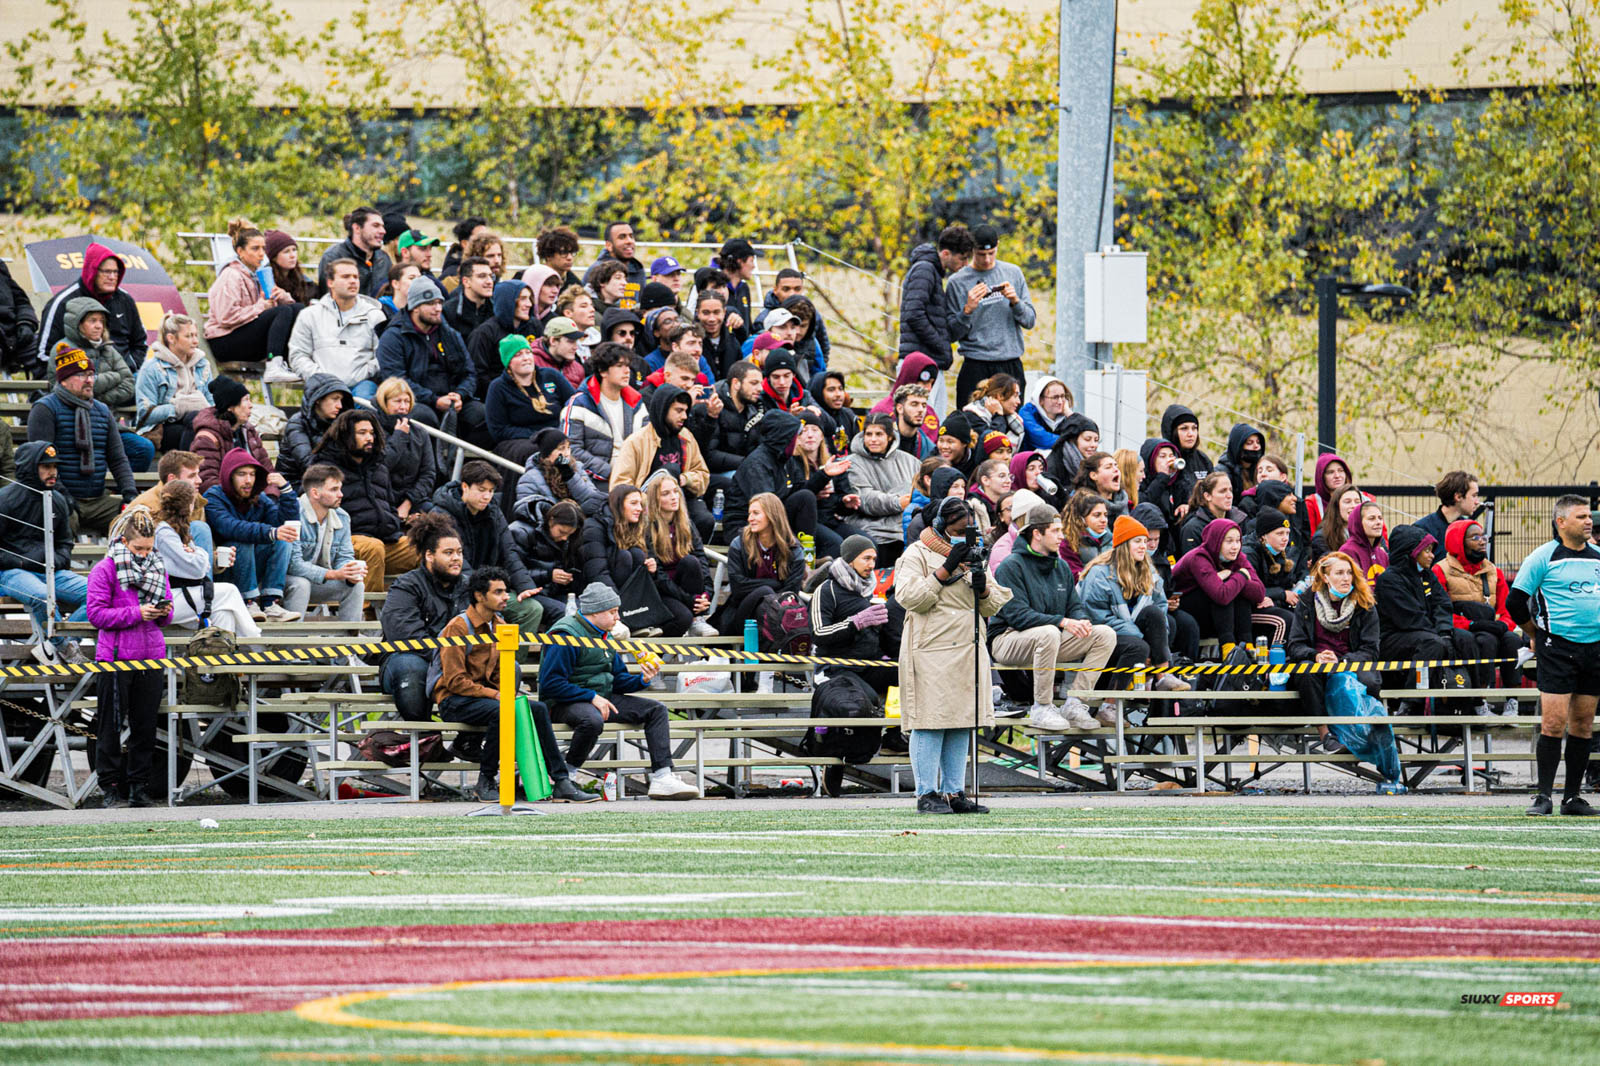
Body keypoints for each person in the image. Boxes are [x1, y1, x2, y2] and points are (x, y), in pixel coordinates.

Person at [434, 567, 593, 804]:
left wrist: (507, 693)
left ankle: (561, 781)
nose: (506, 597)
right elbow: (455, 681)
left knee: (536, 708)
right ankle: (486, 780)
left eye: (506, 591)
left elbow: (501, 671)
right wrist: (495, 694)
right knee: (504, 710)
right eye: (498, 592)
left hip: (488, 699)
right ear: (479, 596)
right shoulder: (457, 627)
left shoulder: (500, 624)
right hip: (454, 700)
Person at [897, 494, 1012, 813]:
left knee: (962, 719)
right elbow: (909, 598)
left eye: (968, 529)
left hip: (967, 646)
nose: (964, 536)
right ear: (940, 525)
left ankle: (954, 792)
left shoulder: (976, 554)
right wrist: (945, 570)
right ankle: (926, 793)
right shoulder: (916, 553)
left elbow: (993, 605)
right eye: (959, 530)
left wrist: (982, 587)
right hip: (929, 648)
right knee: (930, 720)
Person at [537, 582, 700, 799]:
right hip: (561, 703)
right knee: (592, 720)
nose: (618, 617)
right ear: (594, 612)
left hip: (600, 698)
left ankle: (662, 777)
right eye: (612, 612)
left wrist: (642, 679)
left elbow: (618, 680)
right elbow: (550, 684)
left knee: (656, 710)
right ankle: (566, 776)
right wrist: (591, 697)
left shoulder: (605, 635)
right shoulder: (565, 635)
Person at [1508, 497, 1600, 815]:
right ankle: (1544, 796)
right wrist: (1535, 634)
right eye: (1581, 516)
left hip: (1594, 649)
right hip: (1557, 648)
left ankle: (1572, 798)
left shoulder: (1597, 557)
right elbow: (1515, 602)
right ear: (1561, 522)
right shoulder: (1543, 557)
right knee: (1553, 723)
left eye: (1589, 516)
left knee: (1583, 724)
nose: (1588, 521)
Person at [990, 504, 1120, 730]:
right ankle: (1042, 707)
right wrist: (1062, 622)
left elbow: (1074, 606)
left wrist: (1080, 621)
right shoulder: (1010, 566)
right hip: (1007, 640)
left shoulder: (1061, 567)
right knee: (1049, 632)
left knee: (1105, 634)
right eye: (1056, 531)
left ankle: (1075, 703)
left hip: (1049, 639)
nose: (1062, 536)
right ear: (1037, 533)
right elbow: (1018, 617)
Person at [87, 506, 171, 808]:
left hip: (151, 657)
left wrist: (162, 611)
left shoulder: (158, 567)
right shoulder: (104, 570)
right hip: (115, 658)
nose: (145, 554)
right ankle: (109, 787)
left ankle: (138, 788)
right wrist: (137, 613)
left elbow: (168, 615)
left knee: (145, 728)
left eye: (149, 548)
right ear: (124, 542)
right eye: (139, 549)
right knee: (110, 727)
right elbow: (96, 615)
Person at [28, 344, 137, 535]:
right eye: (81, 375)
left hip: (97, 500)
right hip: (58, 497)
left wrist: (130, 494)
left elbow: (118, 459)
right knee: (62, 520)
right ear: (63, 380)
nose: (89, 380)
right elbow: (39, 462)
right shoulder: (45, 409)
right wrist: (62, 495)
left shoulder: (102, 411)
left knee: (137, 518)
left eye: (91, 375)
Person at [1080, 515, 1192, 694]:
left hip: (1136, 637)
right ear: (1123, 545)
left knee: (1156, 615)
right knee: (1139, 646)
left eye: (1145, 541)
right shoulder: (1099, 574)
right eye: (1137, 541)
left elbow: (1161, 607)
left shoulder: (1149, 571)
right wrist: (1140, 636)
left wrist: (1154, 643)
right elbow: (1098, 618)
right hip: (1104, 638)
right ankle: (1110, 705)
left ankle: (1162, 677)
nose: (1144, 546)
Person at [0, 442, 89, 664]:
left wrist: (56, 560)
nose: (53, 472)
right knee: (42, 596)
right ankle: (65, 648)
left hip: (51, 571)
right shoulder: (4, 499)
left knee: (100, 593)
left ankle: (57, 645)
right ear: (31, 467)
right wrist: (21, 562)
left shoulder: (57, 499)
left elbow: (65, 543)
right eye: (46, 466)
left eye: (55, 466)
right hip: (12, 573)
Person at [1286, 551, 1382, 753]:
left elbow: (1370, 649)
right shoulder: (1307, 602)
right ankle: (1326, 734)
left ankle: (1361, 734)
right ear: (1325, 577)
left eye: (1349, 573)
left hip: (1350, 662)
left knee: (1368, 679)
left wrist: (1343, 661)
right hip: (1319, 662)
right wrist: (1316, 656)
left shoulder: (1365, 603)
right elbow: (1295, 645)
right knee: (1305, 672)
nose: (1346, 578)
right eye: (1339, 573)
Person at [313, 408, 416, 596]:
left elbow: (389, 504)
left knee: (425, 548)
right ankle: (366, 612)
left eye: (372, 433)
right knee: (373, 548)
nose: (369, 438)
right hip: (344, 544)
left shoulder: (379, 466)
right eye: (362, 433)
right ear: (346, 435)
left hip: (385, 541)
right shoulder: (325, 468)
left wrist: (395, 523)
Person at [375, 276, 488, 447]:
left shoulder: (450, 334)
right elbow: (396, 379)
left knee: (482, 415)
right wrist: (434, 400)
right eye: (431, 303)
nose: (438, 309)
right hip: (415, 401)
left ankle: (467, 461)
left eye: (440, 303)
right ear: (415, 307)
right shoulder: (393, 337)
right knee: (424, 417)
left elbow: (469, 372)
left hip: (452, 398)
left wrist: (460, 394)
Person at [1375, 524, 1482, 701]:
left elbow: (1442, 604)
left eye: (1432, 550)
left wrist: (1445, 632)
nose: (1432, 555)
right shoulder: (1389, 580)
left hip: (1428, 632)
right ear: (1411, 552)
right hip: (1394, 637)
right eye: (1427, 551)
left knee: (1465, 639)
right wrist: (1440, 637)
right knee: (1432, 644)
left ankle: (1476, 700)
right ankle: (1412, 702)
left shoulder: (1427, 575)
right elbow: (1410, 618)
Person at [379, 512, 464, 720]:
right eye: (448, 552)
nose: (456, 558)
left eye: (459, 552)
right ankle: (424, 735)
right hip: (410, 657)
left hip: (458, 659)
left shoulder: (471, 586)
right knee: (411, 667)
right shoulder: (406, 586)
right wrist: (448, 658)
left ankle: (471, 736)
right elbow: (405, 636)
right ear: (429, 556)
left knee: (506, 666)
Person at [1435, 518, 1526, 712]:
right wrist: (1471, 624)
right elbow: (1439, 611)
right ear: (1459, 542)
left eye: (1483, 536)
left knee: (1512, 640)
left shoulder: (1493, 571)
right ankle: (1480, 700)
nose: (1482, 541)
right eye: (1475, 537)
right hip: (1464, 631)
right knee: (1486, 641)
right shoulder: (1440, 570)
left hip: (1491, 628)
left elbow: (1507, 609)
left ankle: (1512, 701)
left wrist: (1504, 624)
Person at [203, 448, 301, 621]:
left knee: (283, 540)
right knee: (243, 542)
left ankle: (270, 603)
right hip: (223, 570)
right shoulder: (213, 497)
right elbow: (231, 528)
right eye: (241, 474)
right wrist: (271, 532)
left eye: (252, 474)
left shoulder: (259, 498)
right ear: (229, 476)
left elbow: (282, 524)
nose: (248, 480)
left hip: (252, 569)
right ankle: (248, 601)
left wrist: (286, 490)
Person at [153, 478, 258, 638]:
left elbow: (199, 565)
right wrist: (200, 552)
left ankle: (226, 653)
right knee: (230, 591)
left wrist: (195, 554)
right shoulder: (164, 532)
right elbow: (198, 570)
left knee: (224, 613)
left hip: (181, 597)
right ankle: (258, 642)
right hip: (165, 601)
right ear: (188, 505)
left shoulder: (179, 530)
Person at [945, 226, 1036, 405]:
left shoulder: (1013, 273)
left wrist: (1015, 302)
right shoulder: (957, 282)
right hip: (976, 364)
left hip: (1010, 363)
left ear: (997, 247)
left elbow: (1030, 321)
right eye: (981, 254)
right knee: (971, 420)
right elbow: (951, 334)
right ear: (972, 250)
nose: (986, 260)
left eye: (991, 253)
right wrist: (967, 311)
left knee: (1012, 420)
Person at [611, 383, 713, 539]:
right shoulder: (636, 442)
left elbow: (703, 475)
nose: (684, 417)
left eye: (686, 411)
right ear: (663, 409)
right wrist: (649, 499)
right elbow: (619, 485)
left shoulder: (686, 437)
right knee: (669, 470)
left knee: (704, 520)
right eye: (678, 411)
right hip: (646, 503)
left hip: (680, 498)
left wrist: (685, 479)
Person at [60, 302, 150, 470]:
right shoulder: (63, 349)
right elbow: (65, 389)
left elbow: (129, 384)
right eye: (92, 321)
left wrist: (98, 395)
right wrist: (113, 377)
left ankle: (122, 485)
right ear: (78, 323)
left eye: (101, 321)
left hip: (108, 423)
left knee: (144, 449)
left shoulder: (109, 350)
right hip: (74, 425)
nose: (98, 326)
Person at [897, 224, 974, 417]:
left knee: (934, 420)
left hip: (930, 361)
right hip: (918, 365)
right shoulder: (925, 269)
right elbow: (913, 313)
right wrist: (941, 345)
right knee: (920, 420)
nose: (965, 264)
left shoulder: (933, 272)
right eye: (962, 258)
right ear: (946, 253)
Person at [35, 241, 147, 373]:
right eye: (106, 272)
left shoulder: (125, 300)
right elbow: (44, 354)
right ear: (92, 271)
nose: (112, 277)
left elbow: (141, 343)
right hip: (78, 377)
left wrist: (129, 367)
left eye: (116, 272)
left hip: (123, 375)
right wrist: (76, 375)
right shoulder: (63, 302)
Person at [205, 220, 302, 369]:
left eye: (263, 248)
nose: (261, 254)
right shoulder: (231, 275)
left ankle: (290, 363)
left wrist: (282, 297)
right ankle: (274, 364)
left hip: (242, 334)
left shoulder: (257, 275)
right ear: (240, 251)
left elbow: (271, 312)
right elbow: (226, 317)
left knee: (297, 309)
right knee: (282, 312)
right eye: (255, 248)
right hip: (223, 341)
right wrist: (261, 307)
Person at [286, 258, 386, 399]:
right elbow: (298, 355)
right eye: (346, 277)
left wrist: (363, 373)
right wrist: (320, 377)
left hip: (362, 385)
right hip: (322, 386)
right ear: (330, 282)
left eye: (356, 277)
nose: (353, 281)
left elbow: (383, 355)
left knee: (365, 399)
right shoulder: (309, 315)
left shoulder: (375, 315)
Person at [280, 462, 366, 622]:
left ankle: (351, 635)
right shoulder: (293, 513)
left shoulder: (342, 516)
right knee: (301, 584)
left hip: (317, 581)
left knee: (356, 585)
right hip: (283, 581)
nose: (341, 494)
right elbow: (293, 565)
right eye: (334, 489)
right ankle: (292, 636)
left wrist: (349, 572)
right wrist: (333, 574)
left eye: (340, 489)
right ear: (315, 493)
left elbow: (344, 556)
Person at [1172, 518, 1266, 656]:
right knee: (1227, 589)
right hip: (1184, 607)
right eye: (1229, 541)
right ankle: (1228, 646)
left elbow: (1259, 593)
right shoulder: (1199, 557)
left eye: (1238, 541)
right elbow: (1221, 596)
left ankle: (1247, 643)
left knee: (1237, 588)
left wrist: (1232, 576)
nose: (1235, 546)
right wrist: (1240, 576)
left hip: (1215, 612)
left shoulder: (1238, 557)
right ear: (1216, 541)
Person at [561, 342, 648, 487]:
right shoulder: (579, 404)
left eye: (628, 366)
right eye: (619, 366)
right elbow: (570, 450)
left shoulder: (637, 403)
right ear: (602, 371)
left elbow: (649, 445)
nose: (627, 371)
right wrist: (611, 472)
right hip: (595, 482)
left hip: (635, 479)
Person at [719, 492, 806, 637]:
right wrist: (773, 584)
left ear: (772, 516)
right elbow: (738, 587)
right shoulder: (739, 544)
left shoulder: (793, 549)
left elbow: (791, 592)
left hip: (779, 615)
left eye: (756, 513)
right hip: (743, 614)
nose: (750, 518)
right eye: (749, 513)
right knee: (764, 591)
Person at [486, 335, 577, 464]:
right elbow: (499, 430)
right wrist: (539, 436)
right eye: (518, 355)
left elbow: (574, 405)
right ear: (508, 362)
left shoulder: (551, 375)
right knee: (541, 451)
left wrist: (559, 433)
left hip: (559, 433)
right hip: (521, 442)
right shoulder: (498, 387)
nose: (526, 358)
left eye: (528, 352)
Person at [643, 471, 713, 636]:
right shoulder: (648, 528)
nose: (674, 497)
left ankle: (698, 618)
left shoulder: (686, 524)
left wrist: (706, 594)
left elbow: (702, 560)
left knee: (691, 561)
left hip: (686, 589)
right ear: (655, 499)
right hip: (661, 592)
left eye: (675, 491)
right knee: (683, 618)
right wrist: (690, 600)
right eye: (666, 494)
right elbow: (659, 577)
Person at [135, 313, 215, 452]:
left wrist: (201, 408)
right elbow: (145, 414)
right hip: (161, 428)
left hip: (198, 422)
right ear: (171, 338)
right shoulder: (151, 368)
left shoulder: (203, 365)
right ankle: (190, 464)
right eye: (188, 336)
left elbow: (212, 404)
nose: (195, 341)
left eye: (195, 335)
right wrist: (179, 407)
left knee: (226, 429)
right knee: (196, 430)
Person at [848, 413, 920, 567]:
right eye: (869, 434)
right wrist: (897, 502)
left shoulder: (910, 461)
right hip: (871, 528)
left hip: (905, 527)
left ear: (890, 437)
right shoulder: (852, 463)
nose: (873, 439)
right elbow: (864, 498)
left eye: (879, 434)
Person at [188, 376, 277, 494]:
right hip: (225, 501)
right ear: (230, 406)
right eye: (246, 400)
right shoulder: (207, 438)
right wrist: (244, 498)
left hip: (255, 498)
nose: (251, 405)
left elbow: (269, 473)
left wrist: (271, 496)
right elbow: (207, 482)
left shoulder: (249, 432)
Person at [511, 498, 587, 625]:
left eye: (569, 535)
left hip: (551, 591)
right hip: (524, 591)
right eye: (562, 532)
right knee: (563, 612)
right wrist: (548, 575)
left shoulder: (566, 540)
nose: (564, 538)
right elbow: (513, 572)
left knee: (584, 610)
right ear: (551, 520)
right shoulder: (521, 532)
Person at [373, 377, 437, 525]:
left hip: (412, 500)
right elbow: (380, 466)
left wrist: (408, 503)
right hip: (380, 499)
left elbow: (428, 474)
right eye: (397, 401)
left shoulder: (420, 433)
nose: (403, 407)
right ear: (384, 402)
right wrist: (399, 436)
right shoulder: (371, 429)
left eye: (407, 401)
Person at [130, 449, 213, 559]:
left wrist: (216, 560)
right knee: (199, 528)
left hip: (188, 561)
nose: (199, 480)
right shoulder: (145, 506)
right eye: (192, 476)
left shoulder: (196, 500)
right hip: (155, 562)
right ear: (172, 479)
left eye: (198, 474)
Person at [513, 428, 607, 523]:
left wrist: (570, 476)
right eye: (561, 449)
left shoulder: (577, 467)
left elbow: (592, 499)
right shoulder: (530, 479)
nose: (567, 454)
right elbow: (530, 513)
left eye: (568, 447)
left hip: (581, 522)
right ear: (547, 454)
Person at [693, 359, 763, 482]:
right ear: (736, 383)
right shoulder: (712, 406)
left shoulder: (755, 409)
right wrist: (746, 462)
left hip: (743, 467)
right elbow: (709, 455)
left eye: (760, 383)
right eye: (754, 383)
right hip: (716, 474)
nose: (760, 388)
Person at [278, 374, 352, 488]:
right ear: (318, 399)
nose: (340, 406)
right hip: (295, 484)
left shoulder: (337, 424)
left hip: (327, 482)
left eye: (341, 400)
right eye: (335, 399)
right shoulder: (297, 424)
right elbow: (308, 463)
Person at [466, 281, 533, 401]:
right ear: (508, 301)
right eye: (523, 299)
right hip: (498, 396)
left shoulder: (534, 327)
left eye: (529, 298)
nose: (529, 304)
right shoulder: (484, 333)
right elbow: (478, 374)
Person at [1243, 509, 1309, 616]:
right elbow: (1249, 589)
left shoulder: (1280, 551)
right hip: (1250, 609)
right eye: (1280, 533)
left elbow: (1286, 584)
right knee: (1289, 619)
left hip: (1273, 603)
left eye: (1287, 533)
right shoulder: (1249, 554)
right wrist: (1282, 595)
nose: (1285, 538)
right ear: (1264, 535)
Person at [318, 206, 392, 298]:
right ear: (357, 228)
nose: (383, 231)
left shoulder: (383, 259)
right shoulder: (333, 257)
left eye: (382, 226)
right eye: (376, 226)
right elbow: (328, 298)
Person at [581, 222, 646, 308]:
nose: (629, 241)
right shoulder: (597, 270)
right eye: (622, 237)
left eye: (631, 236)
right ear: (609, 245)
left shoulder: (638, 270)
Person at [1158, 404, 1214, 503]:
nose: (1190, 434)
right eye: (1184, 428)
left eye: (1194, 428)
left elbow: (1213, 495)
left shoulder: (1203, 460)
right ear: (1172, 431)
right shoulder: (1159, 458)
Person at [1178, 472, 1241, 557]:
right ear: (1207, 496)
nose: (1229, 496)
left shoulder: (1239, 519)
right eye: (1222, 491)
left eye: (1230, 490)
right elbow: (1192, 562)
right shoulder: (1193, 529)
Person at [1416, 470, 1480, 549]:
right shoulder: (1422, 529)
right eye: (1474, 496)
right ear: (1458, 497)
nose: (1477, 502)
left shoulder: (1468, 529)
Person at [1305, 451, 1368, 531]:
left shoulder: (1365, 499)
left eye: (1341, 471)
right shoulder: (1312, 504)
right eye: (1330, 472)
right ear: (1321, 477)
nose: (1337, 476)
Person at [961, 373, 1026, 445]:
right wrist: (998, 416)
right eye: (1015, 396)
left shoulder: (1011, 418)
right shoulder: (972, 416)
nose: (1019, 401)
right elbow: (992, 444)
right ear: (1000, 396)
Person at [0, 256, 38, 371]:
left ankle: (46, 384)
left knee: (48, 349)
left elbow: (21, 301)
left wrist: (26, 323)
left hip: (12, 336)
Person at [1060, 493, 1111, 577]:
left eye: (1105, 515)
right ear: (1081, 519)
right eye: (1097, 515)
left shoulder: (1111, 540)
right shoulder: (1068, 544)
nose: (1103, 520)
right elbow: (1076, 577)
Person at [1043, 413, 1099, 489]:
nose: (1093, 445)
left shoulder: (1097, 464)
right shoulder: (1053, 464)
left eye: (1096, 440)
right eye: (1087, 439)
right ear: (1073, 440)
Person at [1311, 484, 1365, 563]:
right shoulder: (1322, 537)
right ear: (1336, 506)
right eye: (1347, 502)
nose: (1354, 506)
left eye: (1357, 502)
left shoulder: (1369, 532)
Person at [695, 290, 743, 377]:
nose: (712, 319)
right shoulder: (691, 343)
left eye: (716, 312)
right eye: (706, 313)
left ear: (724, 312)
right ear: (698, 313)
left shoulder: (733, 341)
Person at [1339, 500, 1390, 581]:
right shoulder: (1347, 551)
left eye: (1380, 518)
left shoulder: (1382, 554)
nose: (1378, 522)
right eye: (1371, 518)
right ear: (1358, 523)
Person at [1019, 375, 1073, 451]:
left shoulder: (1064, 415)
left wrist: (1070, 414)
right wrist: (1073, 441)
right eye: (1055, 397)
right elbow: (1042, 439)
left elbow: (1085, 433)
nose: (1060, 402)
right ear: (1040, 399)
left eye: (1062, 396)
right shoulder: (1026, 413)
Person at [1216, 423, 1267, 499]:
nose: (1256, 446)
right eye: (1249, 443)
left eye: (1258, 442)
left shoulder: (1262, 469)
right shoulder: (1222, 472)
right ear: (1238, 447)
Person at [1073, 452, 1129, 521]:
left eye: (1116, 466)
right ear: (1093, 475)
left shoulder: (1123, 499)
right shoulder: (1082, 504)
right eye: (1108, 467)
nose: (1116, 470)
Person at [266, 230, 314, 307]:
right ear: (273, 257)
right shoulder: (268, 282)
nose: (292, 255)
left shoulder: (303, 281)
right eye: (286, 251)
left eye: (294, 250)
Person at [755, 349, 807, 414]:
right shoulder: (758, 400)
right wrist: (791, 417)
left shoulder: (805, 396)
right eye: (776, 377)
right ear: (768, 378)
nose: (782, 382)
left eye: (786, 376)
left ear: (794, 375)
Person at [935, 410, 981, 479]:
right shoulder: (932, 461)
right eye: (941, 441)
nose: (944, 446)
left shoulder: (977, 463)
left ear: (964, 443)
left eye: (950, 441)